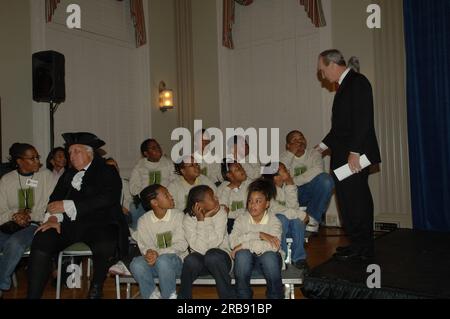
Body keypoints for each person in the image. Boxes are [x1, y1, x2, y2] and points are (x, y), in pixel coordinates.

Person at [27, 132, 129, 299]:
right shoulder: (68, 174)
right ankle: (33, 295)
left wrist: (69, 205)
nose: (71, 156)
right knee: (42, 238)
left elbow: (107, 198)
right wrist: (52, 218)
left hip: (99, 223)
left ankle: (96, 286)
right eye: (70, 152)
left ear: (90, 153)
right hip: (70, 225)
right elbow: (54, 200)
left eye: (76, 151)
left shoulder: (107, 170)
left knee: (105, 241)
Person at [316, 50, 381, 260]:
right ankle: (356, 243)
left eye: (323, 70)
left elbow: (364, 120)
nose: (323, 76)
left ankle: (364, 247)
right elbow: (340, 128)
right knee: (347, 201)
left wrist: (354, 151)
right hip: (343, 157)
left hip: (353, 157)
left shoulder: (358, 82)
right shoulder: (343, 87)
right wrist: (321, 147)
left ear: (333, 65)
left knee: (357, 200)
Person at [0, 143, 55, 298]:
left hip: (35, 225)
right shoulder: (6, 180)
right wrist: (14, 215)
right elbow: (0, 211)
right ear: (19, 161)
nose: (38, 161)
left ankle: (1, 284)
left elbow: (50, 206)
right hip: (8, 225)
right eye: (32, 158)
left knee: (15, 243)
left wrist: (30, 216)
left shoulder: (46, 176)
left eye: (38, 157)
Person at [129, 184, 188, 299]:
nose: (171, 196)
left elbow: (182, 245)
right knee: (136, 264)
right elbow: (144, 246)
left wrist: (157, 253)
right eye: (166, 195)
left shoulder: (178, 216)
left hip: (177, 263)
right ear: (154, 202)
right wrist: (149, 252)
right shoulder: (144, 221)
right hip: (155, 264)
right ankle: (152, 295)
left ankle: (169, 296)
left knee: (163, 260)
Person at [229, 179, 284, 299]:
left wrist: (244, 244)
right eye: (250, 201)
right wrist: (259, 234)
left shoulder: (274, 221)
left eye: (258, 201)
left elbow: (274, 246)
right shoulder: (241, 219)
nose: (253, 205)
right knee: (242, 255)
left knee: (269, 256)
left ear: (267, 204)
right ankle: (244, 297)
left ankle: (275, 296)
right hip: (247, 263)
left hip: (270, 264)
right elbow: (233, 242)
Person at [179, 185, 235, 299]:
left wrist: (207, 219)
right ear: (199, 205)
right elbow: (201, 248)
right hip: (202, 262)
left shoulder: (221, 213)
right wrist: (201, 220)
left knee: (212, 255)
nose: (216, 198)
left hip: (221, 260)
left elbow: (214, 244)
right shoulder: (188, 219)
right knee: (190, 260)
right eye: (212, 197)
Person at [280, 130, 334, 234]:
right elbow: (280, 176)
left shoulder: (313, 153)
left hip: (309, 191)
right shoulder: (283, 157)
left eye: (301, 138)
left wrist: (292, 181)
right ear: (288, 145)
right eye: (294, 140)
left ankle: (313, 218)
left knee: (326, 180)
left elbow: (318, 170)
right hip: (291, 195)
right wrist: (291, 153)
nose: (299, 142)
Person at [261, 162, 309, 274]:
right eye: (284, 170)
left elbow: (293, 207)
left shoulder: (287, 186)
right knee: (281, 218)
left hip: (288, 226)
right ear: (275, 177)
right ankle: (281, 255)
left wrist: (290, 184)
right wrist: (301, 214)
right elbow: (276, 209)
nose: (288, 171)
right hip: (270, 227)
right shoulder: (265, 189)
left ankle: (299, 258)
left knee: (297, 221)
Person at [217, 159, 251, 233]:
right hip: (231, 223)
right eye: (238, 169)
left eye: (241, 166)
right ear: (229, 175)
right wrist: (228, 188)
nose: (242, 169)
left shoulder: (249, 184)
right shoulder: (222, 188)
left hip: (247, 219)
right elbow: (222, 210)